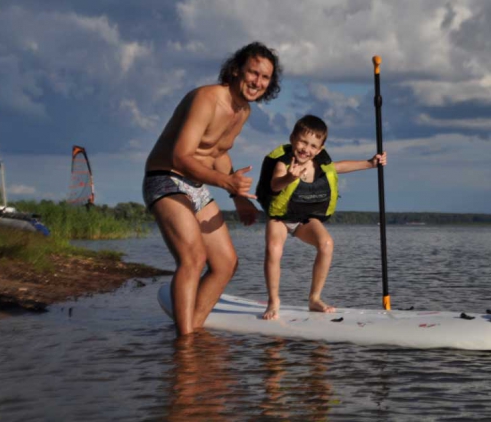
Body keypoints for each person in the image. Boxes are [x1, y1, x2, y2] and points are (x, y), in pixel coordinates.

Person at [143, 42, 282, 336]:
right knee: (193, 258)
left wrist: (238, 197)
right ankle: (186, 345)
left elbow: (218, 151)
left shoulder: (242, 111)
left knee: (226, 263)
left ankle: (191, 329)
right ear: (235, 70)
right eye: (252, 73)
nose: (257, 82)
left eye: (265, 77)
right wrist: (225, 183)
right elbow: (180, 156)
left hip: (195, 184)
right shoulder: (207, 98)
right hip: (165, 178)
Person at [257, 115, 387, 320]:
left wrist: (370, 163)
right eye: (302, 141)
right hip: (280, 218)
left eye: (312, 145)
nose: (305, 149)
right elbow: (275, 184)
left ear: (319, 149)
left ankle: (314, 299)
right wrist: (290, 177)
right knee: (274, 249)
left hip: (304, 218)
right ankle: (273, 301)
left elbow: (340, 167)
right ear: (292, 138)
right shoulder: (284, 163)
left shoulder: (319, 164)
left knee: (326, 243)